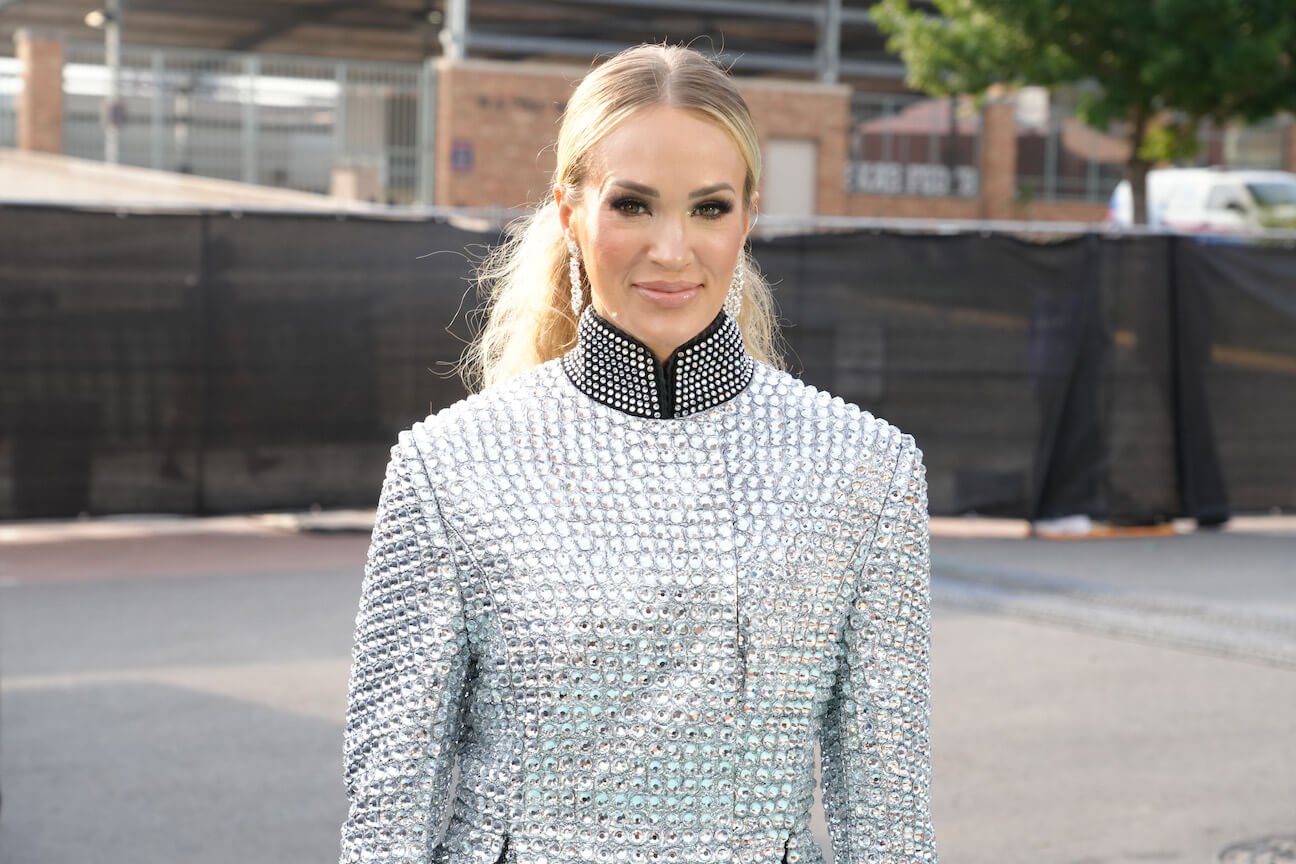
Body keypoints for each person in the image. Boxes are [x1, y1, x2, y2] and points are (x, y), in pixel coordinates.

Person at [339, 43, 935, 864]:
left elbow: (889, 812)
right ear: (571, 210)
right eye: (633, 205)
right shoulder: (450, 466)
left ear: (750, 216)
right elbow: (386, 808)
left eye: (709, 208)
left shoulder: (867, 469)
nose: (671, 249)